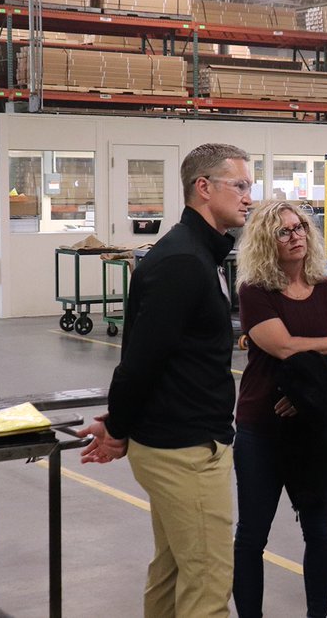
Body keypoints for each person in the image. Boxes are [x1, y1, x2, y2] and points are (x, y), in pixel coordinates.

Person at [76, 143, 253, 617]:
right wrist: (118, 427)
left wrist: (121, 421)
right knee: (208, 584)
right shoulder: (184, 261)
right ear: (203, 188)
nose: (248, 197)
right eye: (239, 185)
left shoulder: (196, 253)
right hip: (185, 450)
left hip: (177, 440)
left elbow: (158, 354)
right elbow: (141, 360)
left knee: (174, 569)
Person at [232, 200, 327, 618]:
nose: (296, 237)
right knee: (252, 535)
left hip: (314, 427)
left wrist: (310, 391)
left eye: (300, 227)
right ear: (265, 242)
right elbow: (285, 347)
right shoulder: (255, 292)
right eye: (284, 231)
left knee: (321, 531)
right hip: (262, 428)